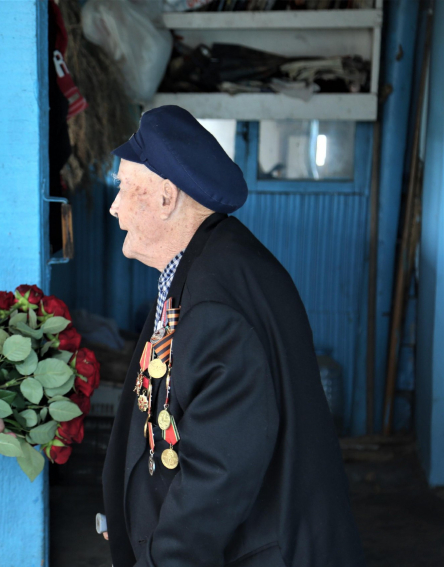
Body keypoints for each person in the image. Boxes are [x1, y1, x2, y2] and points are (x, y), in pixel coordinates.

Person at [101, 106, 365, 567]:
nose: (114, 205)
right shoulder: (208, 261)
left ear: (166, 198)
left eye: (124, 187)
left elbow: (218, 473)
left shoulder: (215, 303)